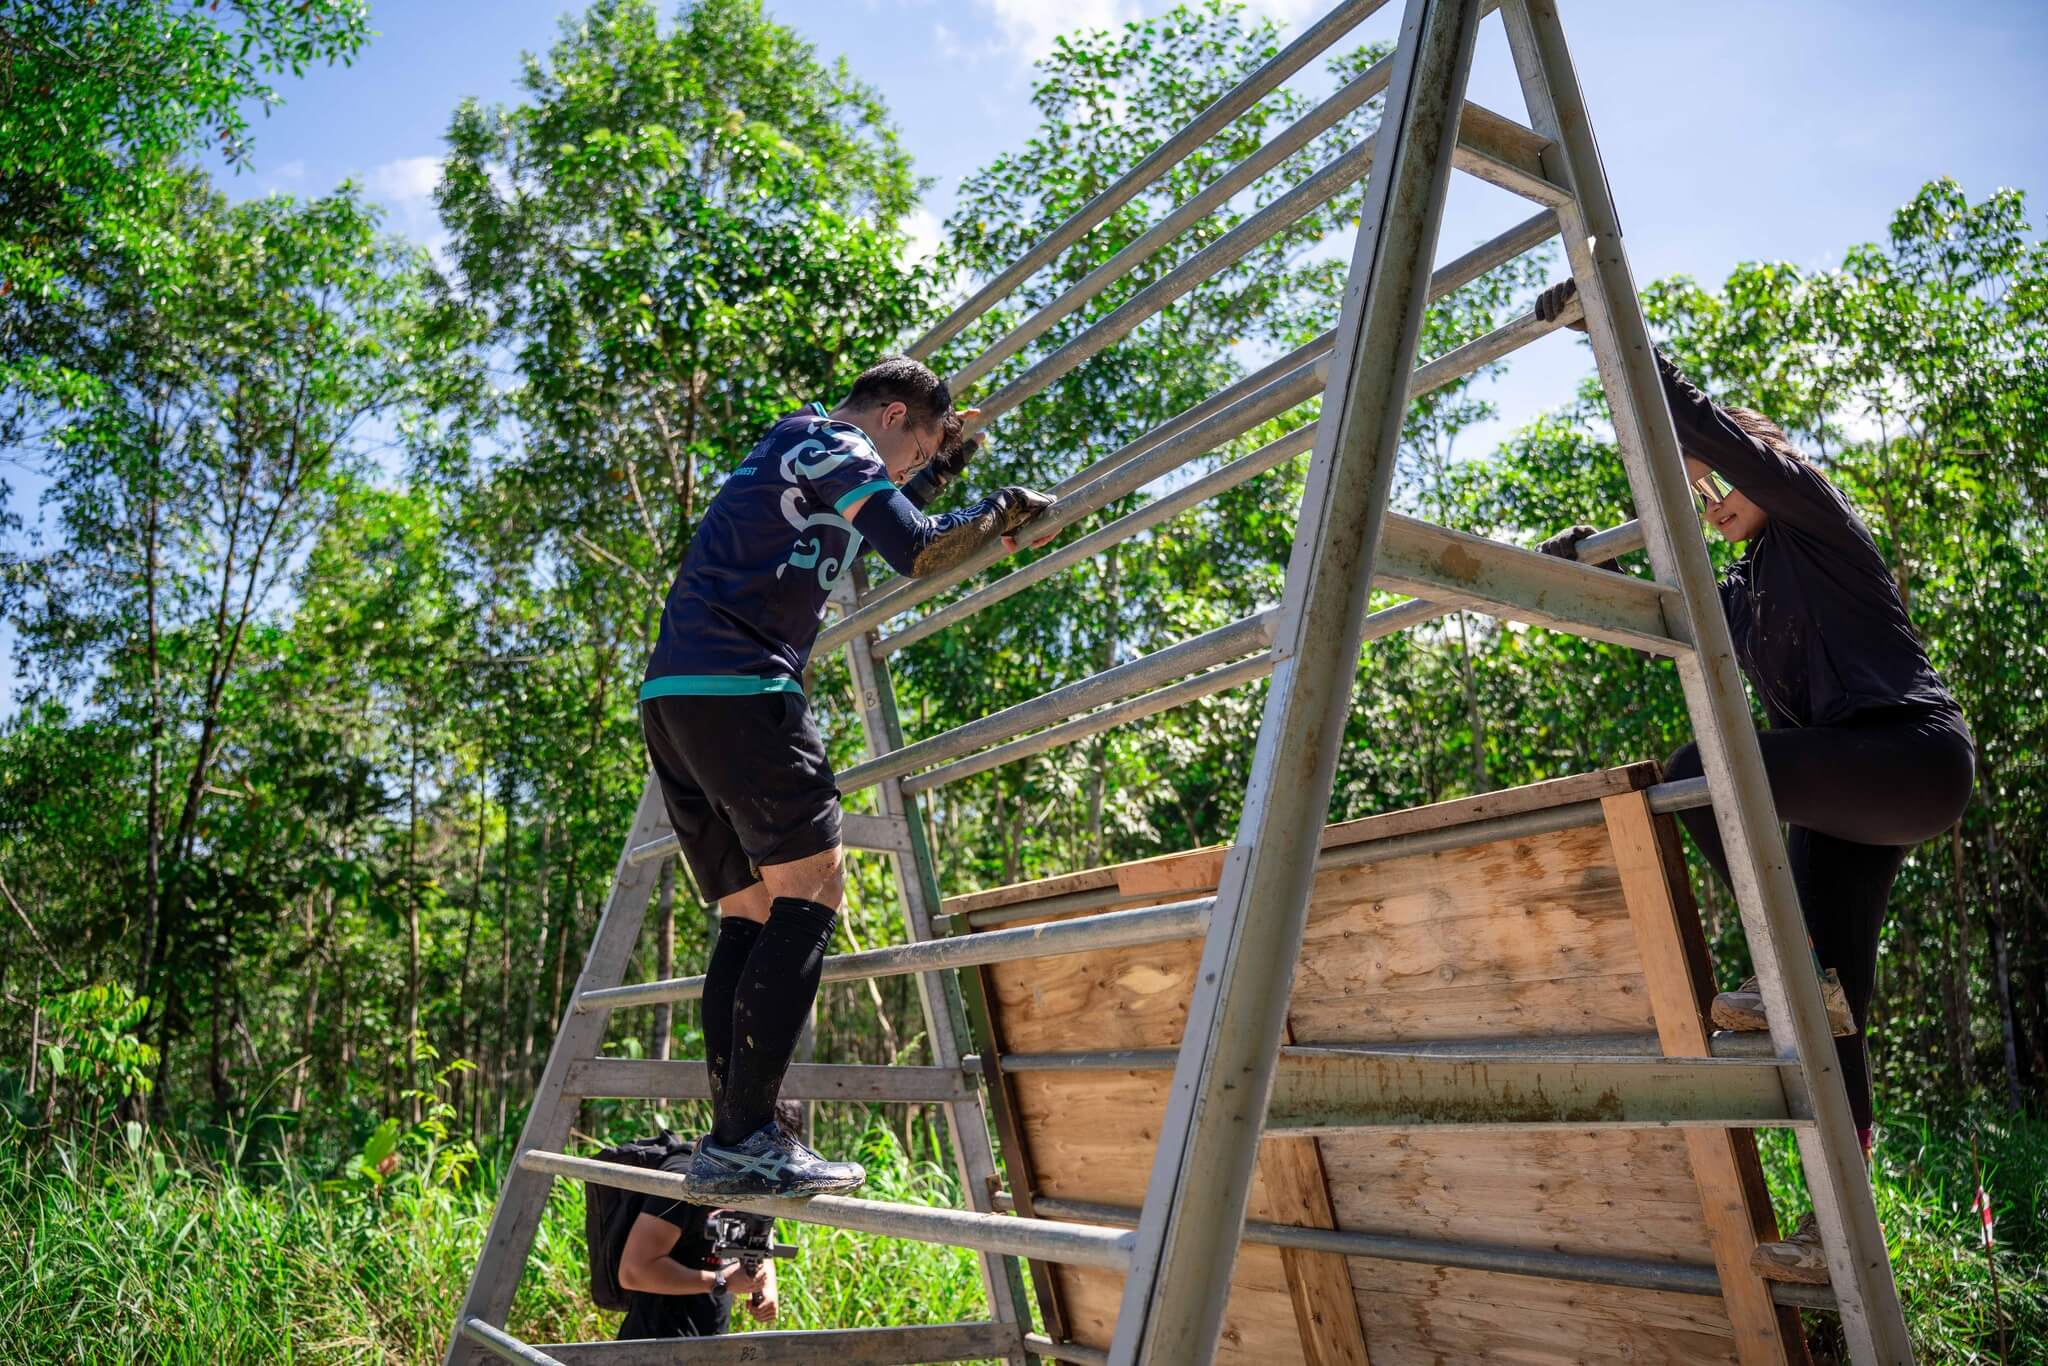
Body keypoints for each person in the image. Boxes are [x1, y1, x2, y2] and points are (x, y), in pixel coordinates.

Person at [1533, 279, 1974, 1282]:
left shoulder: (1811, 522)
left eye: (1717, 480)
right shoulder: (1742, 594)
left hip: (1907, 757)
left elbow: (1699, 429)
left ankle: (1791, 975)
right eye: (1695, 491)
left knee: (1706, 775)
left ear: (1769, 470)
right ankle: (1841, 1223)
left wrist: (1603, 326)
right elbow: (1655, 615)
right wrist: (1568, 574)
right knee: (1834, 1024)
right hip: (1843, 789)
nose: (1709, 497)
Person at [640, 355, 1054, 1198]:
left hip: (674, 698)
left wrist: (943, 469)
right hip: (742, 688)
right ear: (894, 414)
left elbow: (901, 510)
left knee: (750, 913)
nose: (907, 471)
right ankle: (748, 1135)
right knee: (814, 893)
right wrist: (1004, 510)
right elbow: (918, 549)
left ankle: (733, 1137)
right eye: (916, 450)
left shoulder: (795, 446)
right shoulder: (841, 445)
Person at [614, 1130, 777, 1341]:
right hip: (656, 1340)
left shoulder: (754, 1177)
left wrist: (767, 1286)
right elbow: (633, 1272)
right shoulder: (686, 1181)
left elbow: (761, 1231)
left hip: (710, 1336)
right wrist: (721, 1281)